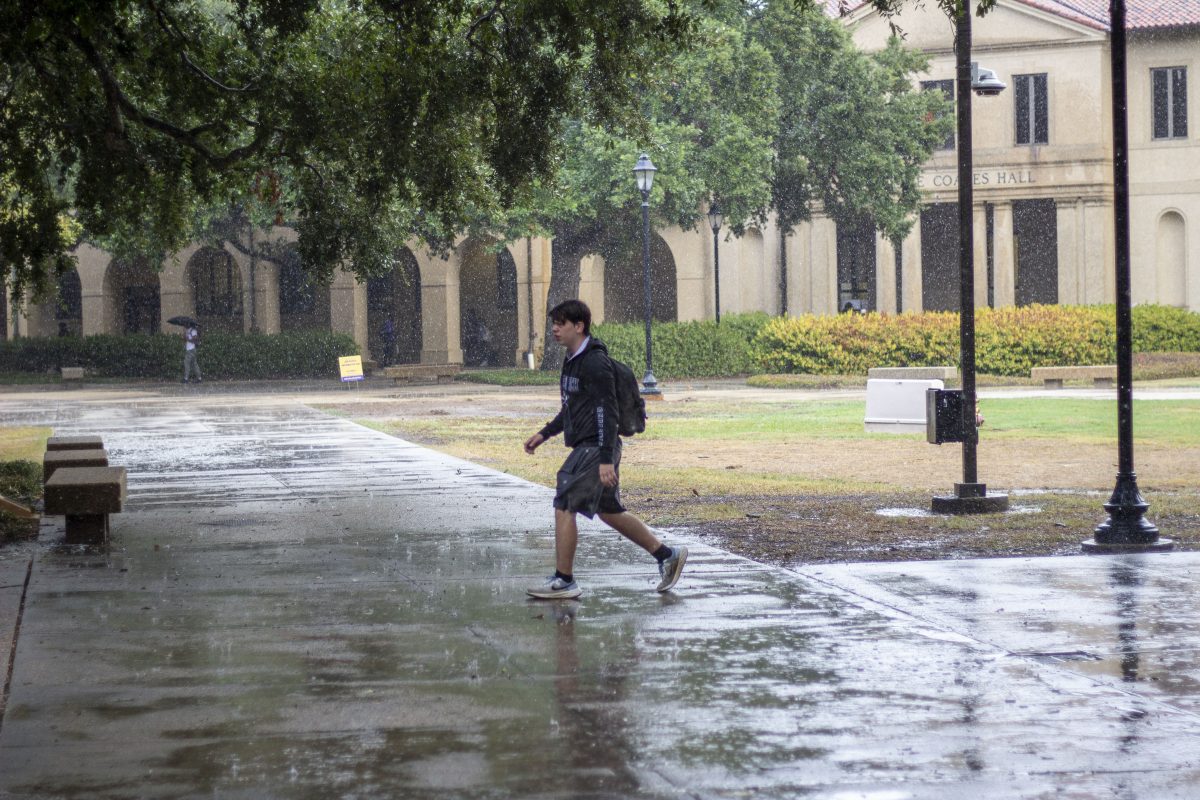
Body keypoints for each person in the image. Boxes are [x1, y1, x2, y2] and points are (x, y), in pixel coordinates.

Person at [523, 299, 687, 600]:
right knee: (608, 510)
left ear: (579, 326)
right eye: (554, 323)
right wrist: (544, 434)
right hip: (593, 446)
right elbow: (572, 408)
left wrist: (604, 458)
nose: (555, 329)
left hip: (595, 447)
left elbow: (607, 411)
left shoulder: (594, 363)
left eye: (561, 323)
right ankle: (667, 555)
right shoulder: (573, 360)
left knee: (564, 502)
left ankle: (565, 580)